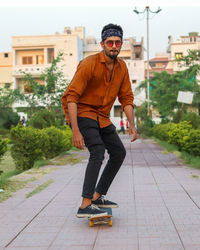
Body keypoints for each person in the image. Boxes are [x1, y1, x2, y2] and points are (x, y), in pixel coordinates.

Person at [62, 23, 137, 218]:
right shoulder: (89, 63)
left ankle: (97, 196)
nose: (114, 46)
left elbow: (127, 98)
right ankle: (85, 204)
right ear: (102, 43)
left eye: (118, 42)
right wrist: (75, 131)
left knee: (118, 152)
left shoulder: (122, 67)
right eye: (110, 42)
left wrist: (132, 124)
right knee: (97, 150)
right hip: (82, 111)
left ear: (121, 44)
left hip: (102, 116)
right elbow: (72, 97)